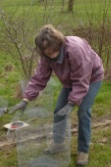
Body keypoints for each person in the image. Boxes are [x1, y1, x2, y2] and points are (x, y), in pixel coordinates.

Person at [10, 24, 104, 166]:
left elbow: (82, 79)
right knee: (59, 111)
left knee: (83, 112)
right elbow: (39, 77)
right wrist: (26, 99)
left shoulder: (75, 50)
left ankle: (83, 150)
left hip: (91, 78)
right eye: (44, 49)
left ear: (57, 42)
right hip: (71, 82)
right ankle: (58, 143)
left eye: (50, 48)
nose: (48, 51)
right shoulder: (46, 56)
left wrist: (72, 102)